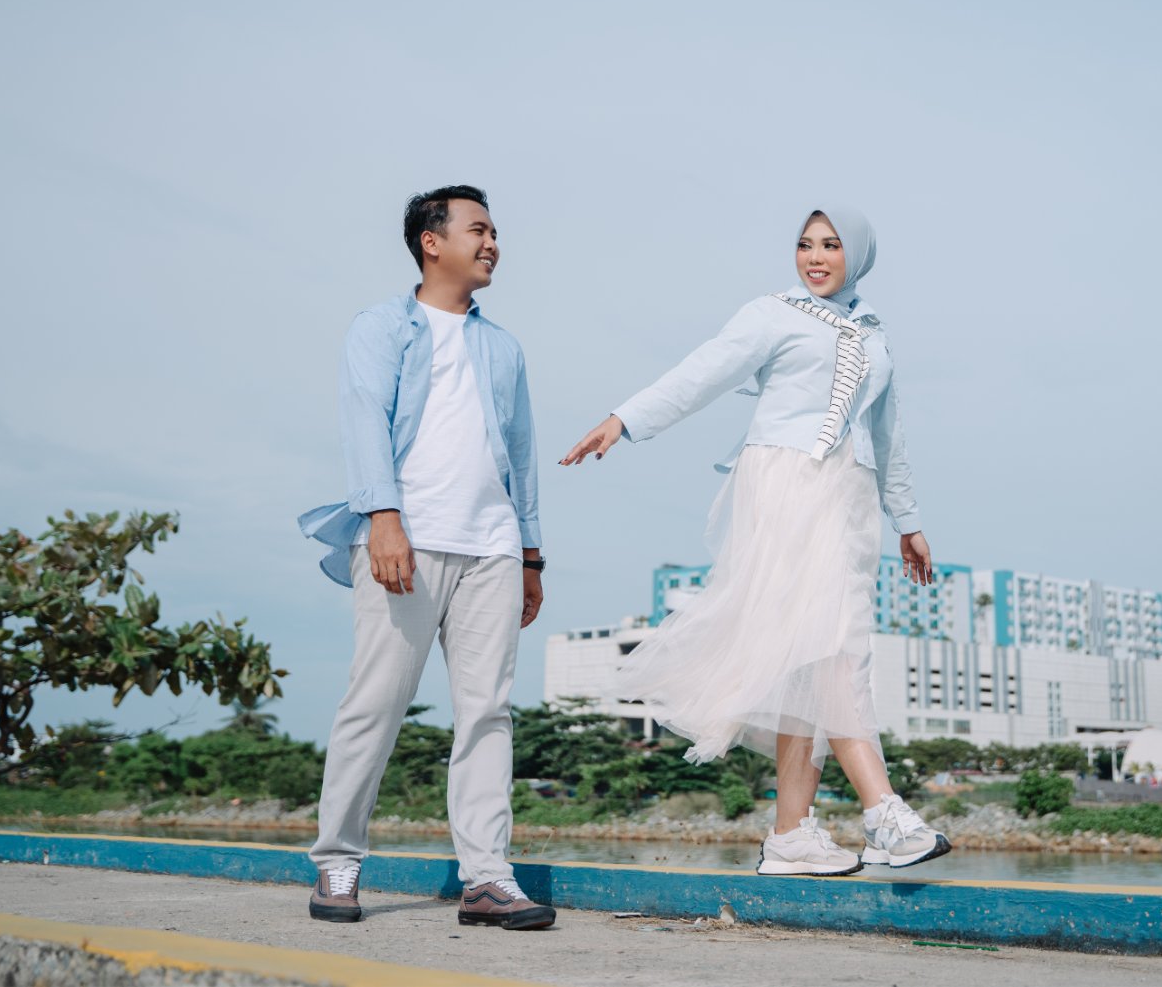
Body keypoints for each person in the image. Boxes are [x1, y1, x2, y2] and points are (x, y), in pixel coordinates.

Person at [561, 206, 950, 876]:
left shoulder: (874, 335)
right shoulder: (773, 313)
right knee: (836, 650)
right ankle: (884, 812)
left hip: (852, 498)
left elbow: (889, 437)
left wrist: (907, 521)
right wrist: (625, 418)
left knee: (811, 659)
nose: (815, 257)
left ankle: (791, 834)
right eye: (805, 244)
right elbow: (702, 371)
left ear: (857, 255)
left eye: (831, 245)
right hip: (788, 485)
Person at [298, 185, 555, 930]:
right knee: (376, 702)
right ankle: (338, 860)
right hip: (406, 542)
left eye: (495, 231)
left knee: (487, 713)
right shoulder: (380, 327)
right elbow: (364, 423)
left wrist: (531, 554)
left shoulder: (503, 347)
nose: (493, 242)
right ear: (430, 241)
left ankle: (487, 878)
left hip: (492, 548)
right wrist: (383, 518)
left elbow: (521, 455)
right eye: (478, 229)